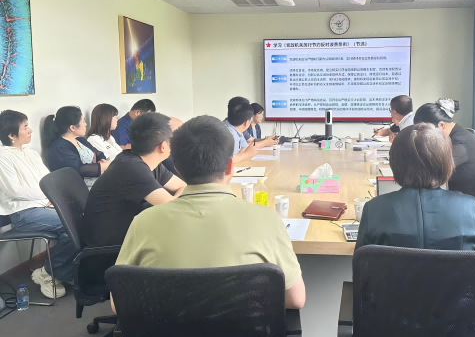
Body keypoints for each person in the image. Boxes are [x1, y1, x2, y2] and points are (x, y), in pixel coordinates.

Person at [112, 115, 305, 312]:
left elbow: (117, 303)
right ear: (230, 166)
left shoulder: (144, 222)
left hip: (166, 331)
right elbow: (296, 300)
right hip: (241, 331)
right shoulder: (266, 219)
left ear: (176, 166)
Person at [356, 123, 475, 252]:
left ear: (395, 162)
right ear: (447, 162)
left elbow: (361, 266)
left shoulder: (374, 209)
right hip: (457, 280)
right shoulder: (473, 208)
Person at [0, 110, 76, 299]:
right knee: (74, 225)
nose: (30, 130)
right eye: (25, 127)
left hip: (45, 205)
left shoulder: (31, 153)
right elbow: (15, 191)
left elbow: (48, 179)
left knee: (78, 223)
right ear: (11, 135)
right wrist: (46, 195)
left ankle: (52, 271)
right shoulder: (3, 157)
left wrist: (53, 195)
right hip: (23, 213)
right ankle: (52, 273)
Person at [83, 113, 186, 247]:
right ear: (163, 146)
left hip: (129, 231)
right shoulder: (131, 167)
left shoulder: (146, 161)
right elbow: (173, 208)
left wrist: (176, 197)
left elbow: (182, 186)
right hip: (110, 248)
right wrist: (177, 198)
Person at [413, 98, 475, 210]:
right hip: (464, 200)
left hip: (474, 208)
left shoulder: (460, 144)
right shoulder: (458, 136)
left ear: (442, 125)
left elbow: (431, 172)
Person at [42, 106, 110, 188]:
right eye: (83, 121)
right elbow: (77, 170)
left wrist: (102, 161)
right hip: (80, 190)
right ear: (72, 128)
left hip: (96, 184)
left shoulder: (80, 139)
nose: (86, 124)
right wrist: (104, 166)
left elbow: (98, 153)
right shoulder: (59, 147)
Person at [224, 98, 258, 163]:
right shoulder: (226, 134)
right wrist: (246, 154)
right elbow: (224, 161)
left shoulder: (237, 130)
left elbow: (244, 147)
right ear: (246, 122)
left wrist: (241, 156)